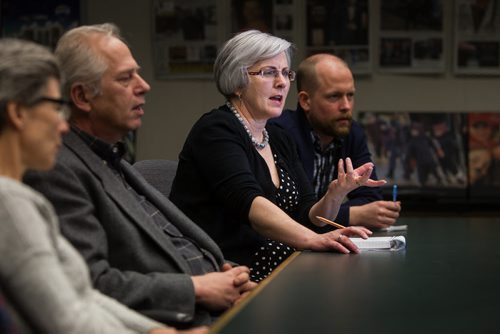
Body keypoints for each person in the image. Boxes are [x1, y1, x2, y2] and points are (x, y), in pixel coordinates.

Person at [23, 24, 256, 329]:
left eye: (138, 73)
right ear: (81, 96)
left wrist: (229, 278)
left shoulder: (110, 156)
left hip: (219, 299)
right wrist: (198, 289)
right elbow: (91, 284)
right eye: (125, 78)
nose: (144, 85)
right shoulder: (57, 170)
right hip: (178, 320)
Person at [0, 38, 207, 334]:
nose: (62, 124)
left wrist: (154, 331)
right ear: (18, 113)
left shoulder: (16, 195)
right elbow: (68, 320)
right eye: (56, 107)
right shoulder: (9, 202)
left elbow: (85, 297)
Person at [170, 30, 384, 282]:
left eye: (285, 73)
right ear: (238, 81)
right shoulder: (216, 130)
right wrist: (314, 239)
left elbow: (306, 214)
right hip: (231, 272)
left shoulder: (278, 136)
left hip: (283, 267)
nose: (282, 82)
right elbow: (250, 204)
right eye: (269, 72)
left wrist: (334, 195)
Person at [272, 54, 401, 229]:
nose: (346, 106)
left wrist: (332, 215)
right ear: (305, 101)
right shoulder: (280, 133)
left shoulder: (352, 133)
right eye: (334, 97)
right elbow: (287, 213)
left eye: (350, 95)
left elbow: (371, 199)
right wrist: (351, 215)